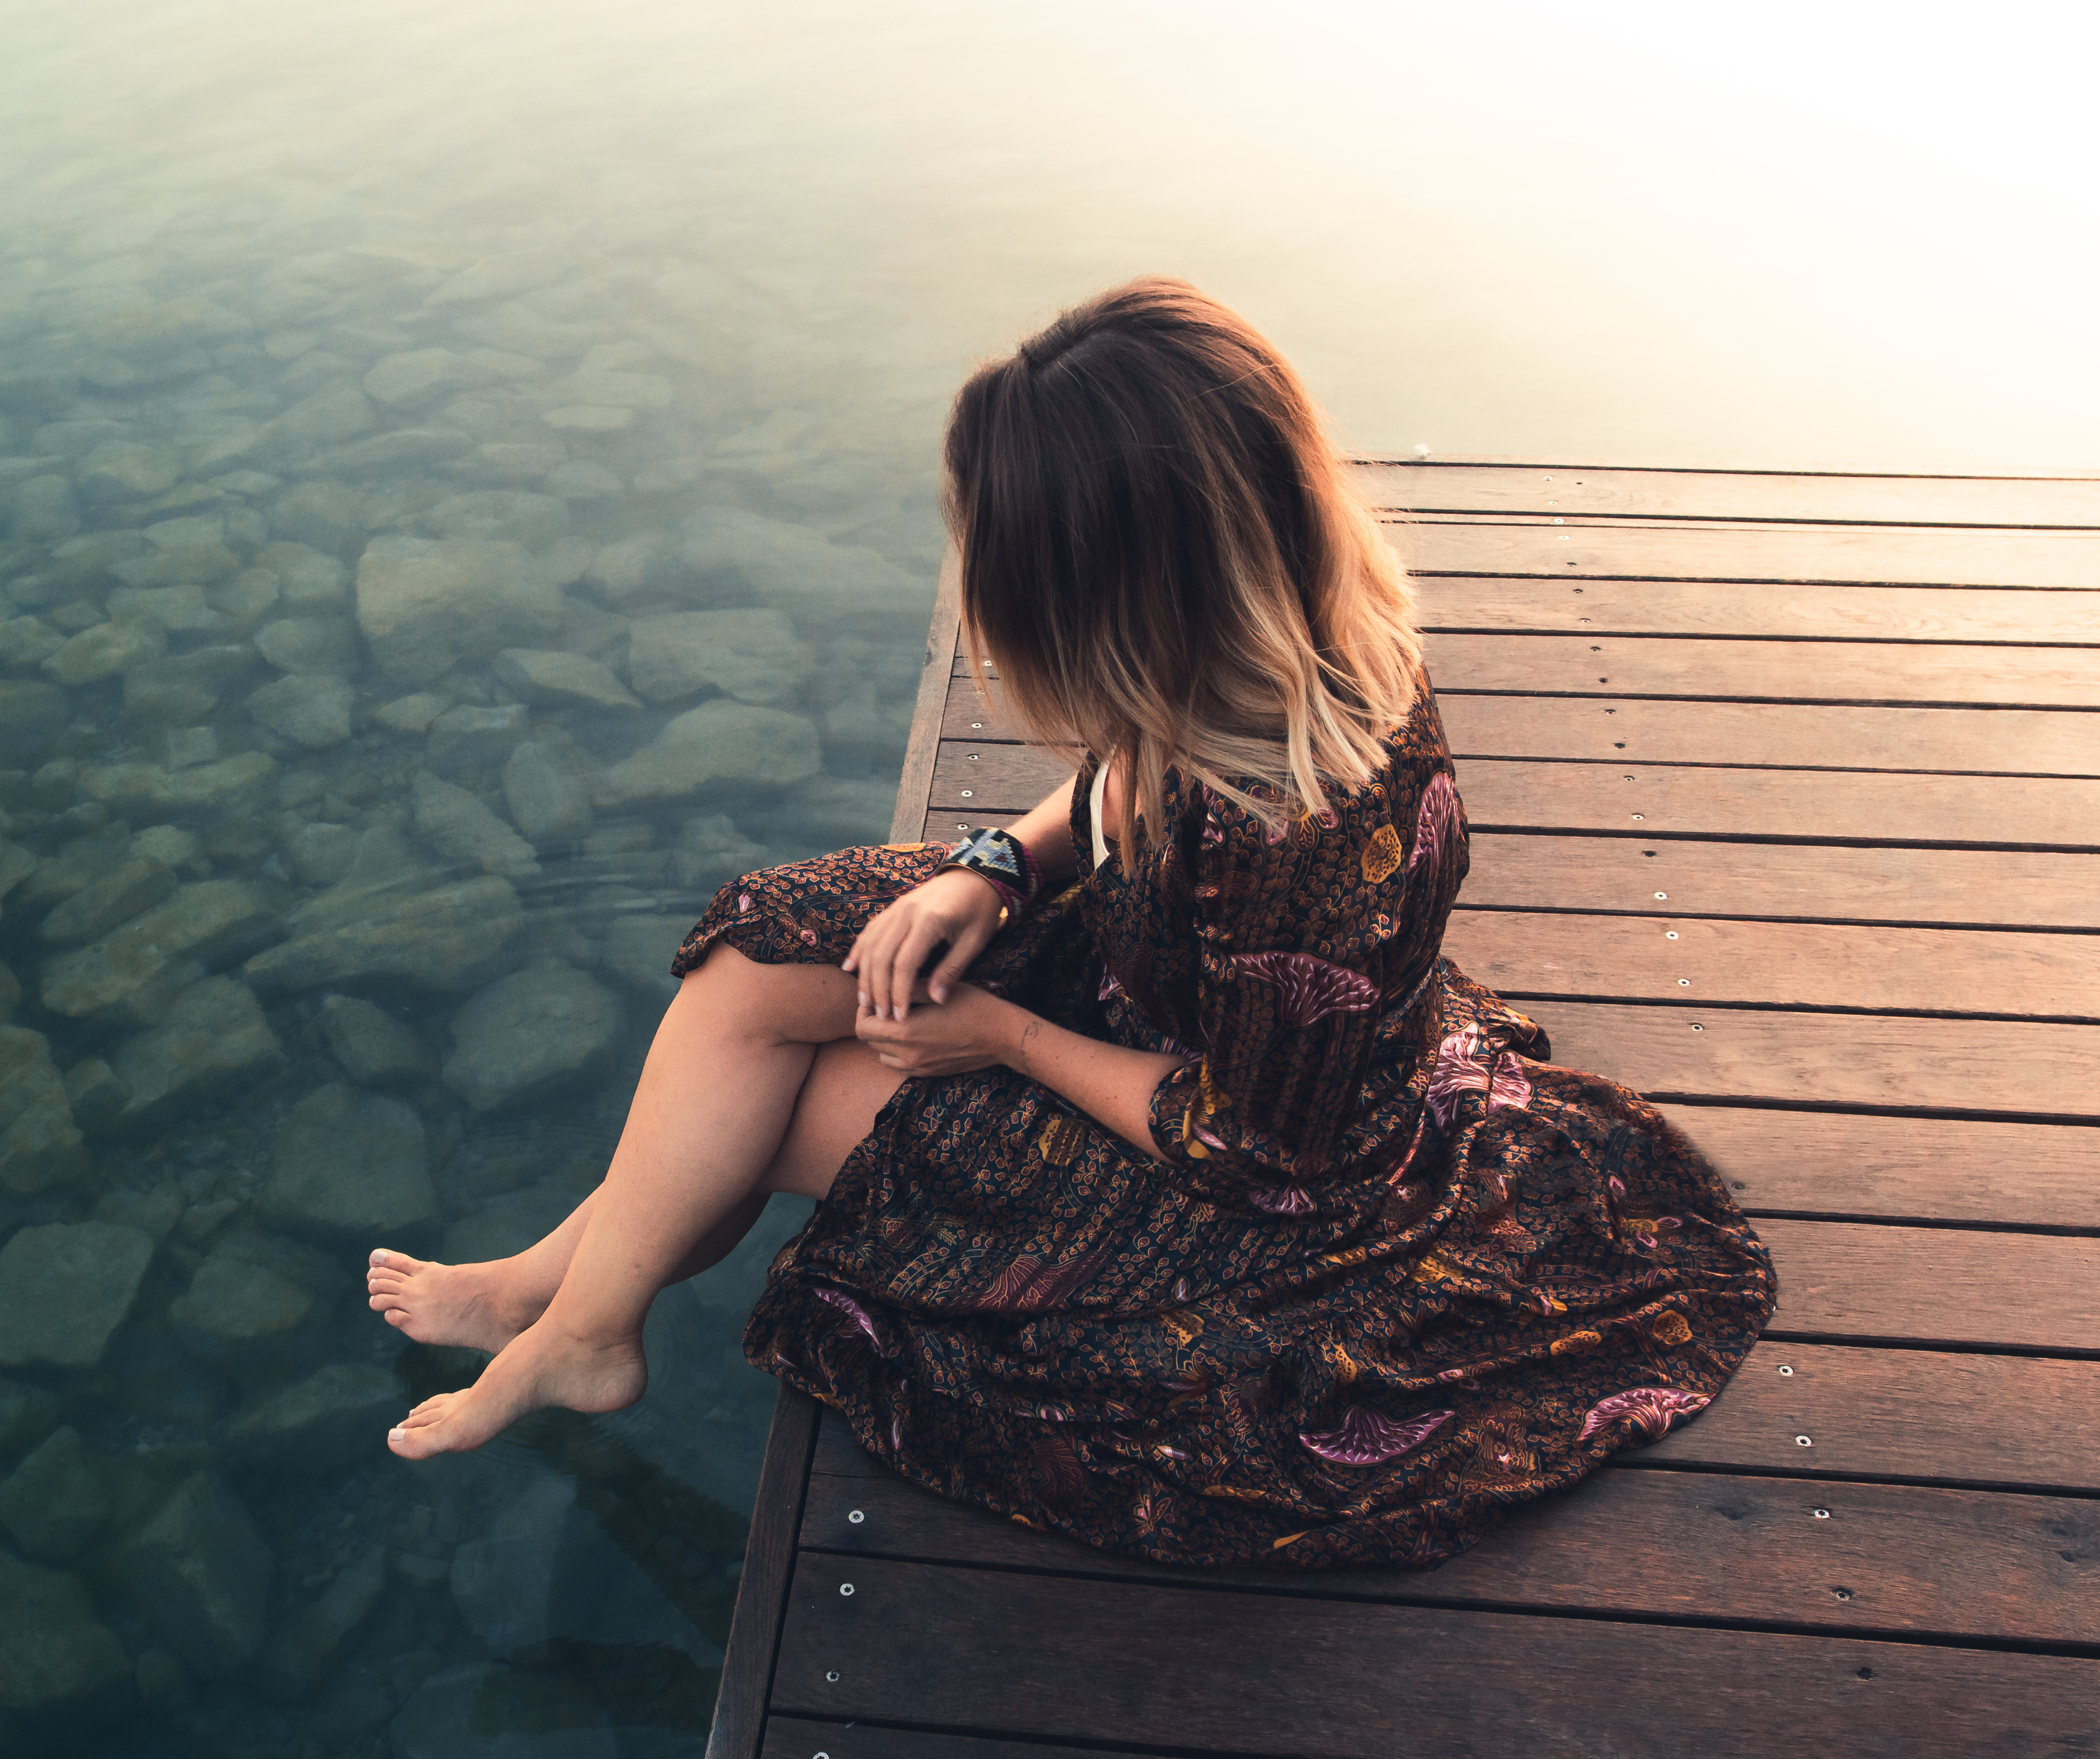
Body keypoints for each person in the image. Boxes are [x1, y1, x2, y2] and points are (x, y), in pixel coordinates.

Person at [367, 278, 1773, 1569]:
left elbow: (1258, 1145)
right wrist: (993, 868)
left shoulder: (1290, 830)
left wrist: (1003, 1038)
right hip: (1162, 974)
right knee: (759, 955)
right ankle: (571, 1307)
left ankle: (569, 1317)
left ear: (1123, 592)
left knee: (802, 1102)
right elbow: (1117, 782)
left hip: (1276, 1179)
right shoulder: (1270, 645)